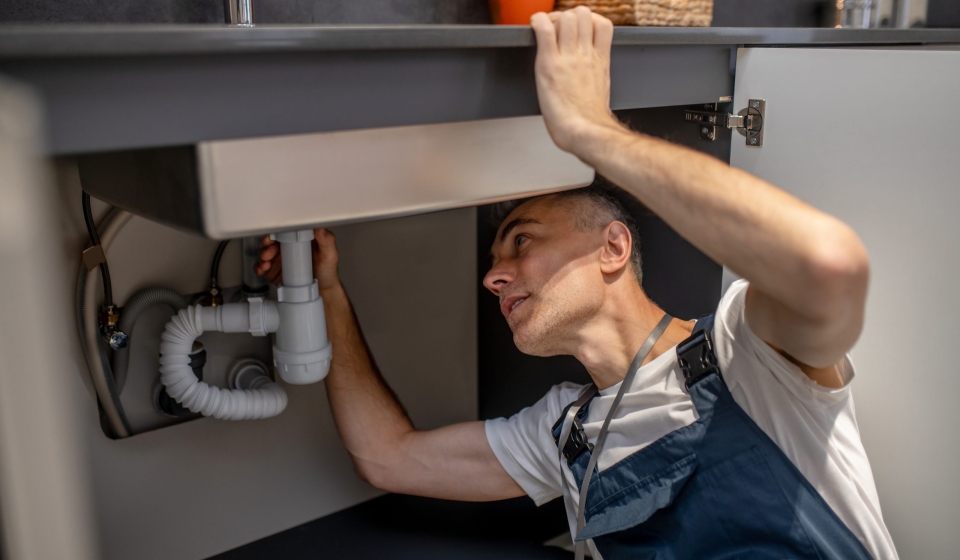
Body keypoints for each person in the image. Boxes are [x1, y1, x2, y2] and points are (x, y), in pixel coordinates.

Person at [256, 7, 896, 559]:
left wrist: (590, 130)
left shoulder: (748, 359)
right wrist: (327, 293)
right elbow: (388, 457)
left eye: (522, 240)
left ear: (613, 248)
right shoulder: (565, 434)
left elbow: (827, 264)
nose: (490, 275)